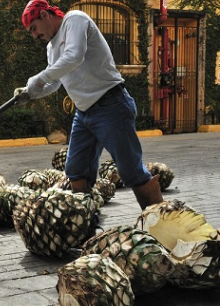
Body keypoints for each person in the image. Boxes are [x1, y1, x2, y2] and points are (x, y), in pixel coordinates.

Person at [14, 0, 162, 210]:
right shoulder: (51, 47)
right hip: (83, 113)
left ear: (45, 15)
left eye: (34, 28)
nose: (35, 35)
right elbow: (55, 82)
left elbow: (73, 57)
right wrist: (31, 93)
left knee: (131, 171)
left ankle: (162, 220)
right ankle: (84, 224)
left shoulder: (75, 20)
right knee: (76, 170)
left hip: (111, 105)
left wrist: (39, 78)